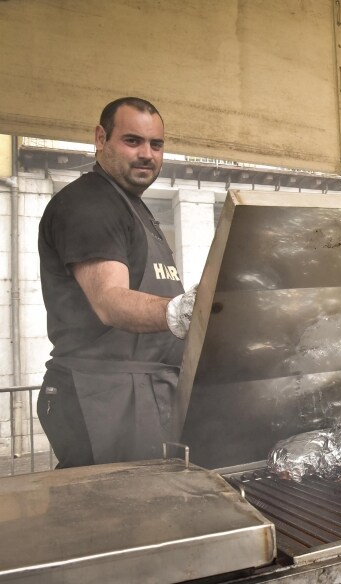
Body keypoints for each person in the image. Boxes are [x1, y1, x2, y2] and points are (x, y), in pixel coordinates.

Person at [38, 97, 196, 468]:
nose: (147, 154)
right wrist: (183, 311)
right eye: (132, 141)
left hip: (141, 393)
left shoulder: (134, 208)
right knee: (116, 517)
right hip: (105, 397)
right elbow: (109, 300)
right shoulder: (90, 204)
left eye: (156, 145)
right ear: (100, 138)